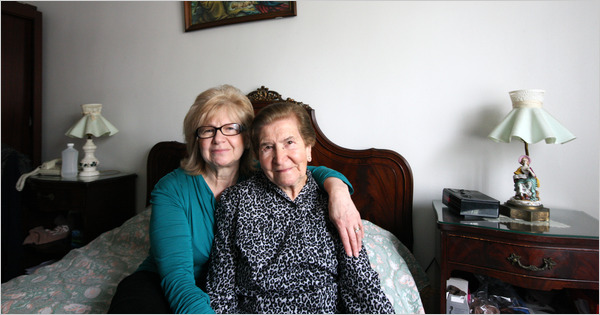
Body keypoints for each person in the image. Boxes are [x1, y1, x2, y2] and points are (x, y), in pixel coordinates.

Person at [108, 85, 363, 314]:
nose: (219, 139)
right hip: (166, 286)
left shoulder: (262, 177)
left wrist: (338, 190)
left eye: (231, 128)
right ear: (196, 139)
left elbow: (302, 171)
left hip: (227, 293)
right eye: (207, 130)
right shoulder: (172, 189)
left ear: (247, 138)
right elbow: (177, 280)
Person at [207, 102, 394, 314]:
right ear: (258, 155)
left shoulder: (333, 204)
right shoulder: (235, 202)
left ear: (308, 148)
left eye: (289, 142)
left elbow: (361, 286)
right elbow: (221, 291)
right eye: (268, 147)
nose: (280, 158)